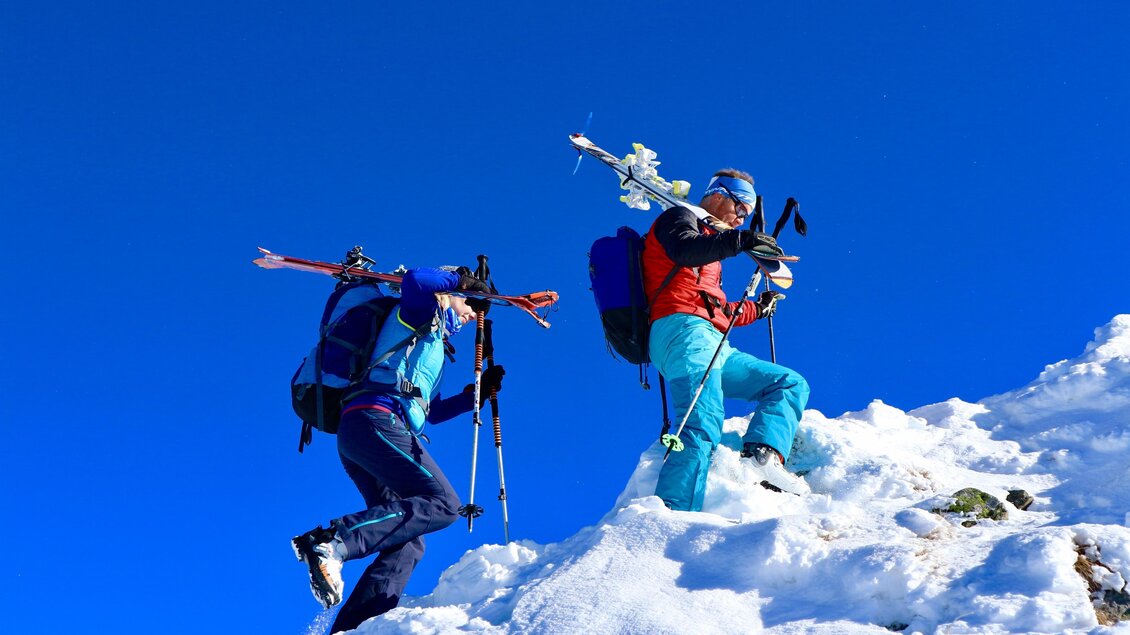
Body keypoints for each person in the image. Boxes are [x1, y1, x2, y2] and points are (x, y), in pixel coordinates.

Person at [291, 266, 504, 633]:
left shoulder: (429, 344)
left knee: (409, 541)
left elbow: (431, 412)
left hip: (367, 431)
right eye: (468, 304)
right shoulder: (417, 312)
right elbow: (417, 281)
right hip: (376, 422)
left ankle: (354, 628)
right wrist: (461, 278)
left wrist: (476, 397)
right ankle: (333, 541)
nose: (472, 314)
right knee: (443, 503)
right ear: (448, 293)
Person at [642, 169, 811, 509]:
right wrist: (743, 241)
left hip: (712, 341)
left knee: (788, 383)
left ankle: (763, 457)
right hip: (681, 333)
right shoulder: (677, 218)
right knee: (702, 423)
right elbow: (683, 250)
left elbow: (718, 310)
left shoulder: (712, 253)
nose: (740, 218)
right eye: (740, 209)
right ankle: (673, 515)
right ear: (719, 195)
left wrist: (758, 309)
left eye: (746, 214)